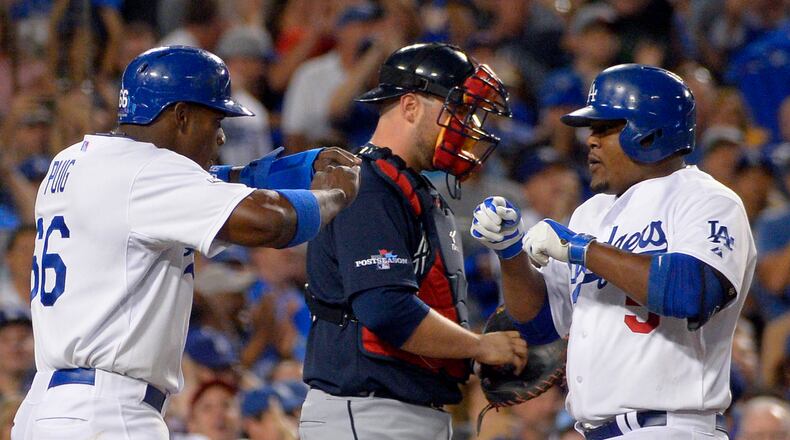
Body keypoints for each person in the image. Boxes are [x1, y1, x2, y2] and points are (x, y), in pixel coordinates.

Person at [12, 45, 361, 440]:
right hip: (107, 412)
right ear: (180, 115)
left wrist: (289, 169)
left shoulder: (72, 160)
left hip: (49, 408)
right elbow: (271, 223)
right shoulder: (146, 171)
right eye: (215, 119)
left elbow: (196, 184)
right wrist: (336, 195)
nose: (222, 134)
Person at [471, 64, 756, 439]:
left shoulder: (707, 199)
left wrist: (583, 250)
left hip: (671, 427)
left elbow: (693, 292)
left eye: (605, 128)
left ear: (651, 132)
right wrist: (510, 254)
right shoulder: (591, 213)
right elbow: (538, 325)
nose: (590, 140)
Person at [299, 42, 526, 440]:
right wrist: (479, 347)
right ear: (409, 106)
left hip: (402, 413)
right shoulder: (366, 185)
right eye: (457, 110)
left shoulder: (410, 189)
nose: (467, 126)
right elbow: (384, 308)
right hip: (367, 412)